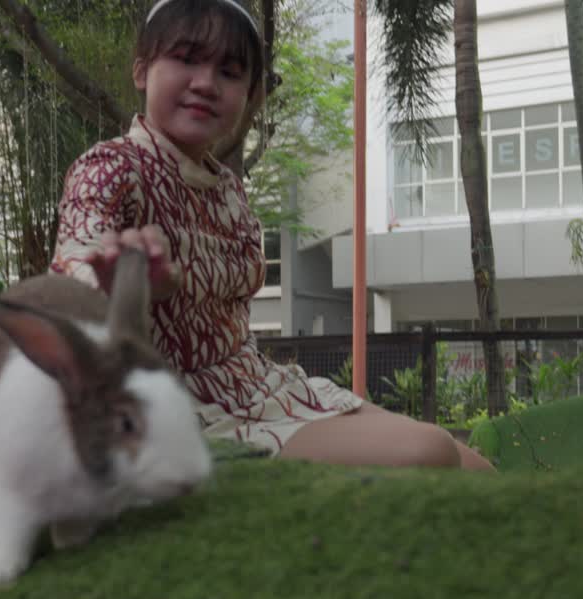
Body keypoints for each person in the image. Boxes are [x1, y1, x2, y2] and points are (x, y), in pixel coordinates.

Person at [50, 0, 493, 471]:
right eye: (185, 59)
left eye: (229, 71)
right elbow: (75, 269)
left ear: (248, 95)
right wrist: (119, 288)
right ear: (141, 71)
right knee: (429, 453)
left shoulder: (228, 189)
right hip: (178, 407)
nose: (205, 83)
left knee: (478, 468)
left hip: (261, 388)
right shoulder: (111, 168)